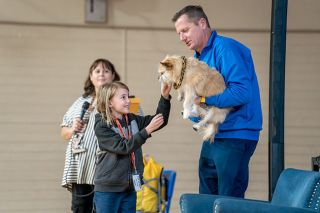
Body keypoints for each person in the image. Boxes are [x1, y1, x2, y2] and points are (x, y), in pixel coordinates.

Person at [172, 5, 263, 198]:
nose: (182, 37)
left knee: (227, 200)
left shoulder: (226, 48)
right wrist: (196, 114)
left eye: (185, 30)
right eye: (179, 33)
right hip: (214, 135)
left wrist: (204, 100)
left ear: (202, 23)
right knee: (206, 197)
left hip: (236, 133)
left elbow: (241, 93)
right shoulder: (198, 57)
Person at [93, 81, 171, 213]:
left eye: (128, 97)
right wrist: (146, 131)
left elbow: (159, 121)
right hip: (108, 190)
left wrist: (165, 97)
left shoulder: (132, 119)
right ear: (110, 102)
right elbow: (123, 147)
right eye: (123, 97)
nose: (128, 101)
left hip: (129, 189)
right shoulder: (102, 125)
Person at [61, 58, 120, 213]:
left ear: (113, 76)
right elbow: (63, 132)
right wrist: (72, 128)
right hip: (82, 170)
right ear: (91, 76)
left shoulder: (123, 99)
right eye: (97, 71)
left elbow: (135, 128)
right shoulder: (80, 102)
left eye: (106, 71)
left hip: (109, 171)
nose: (102, 74)